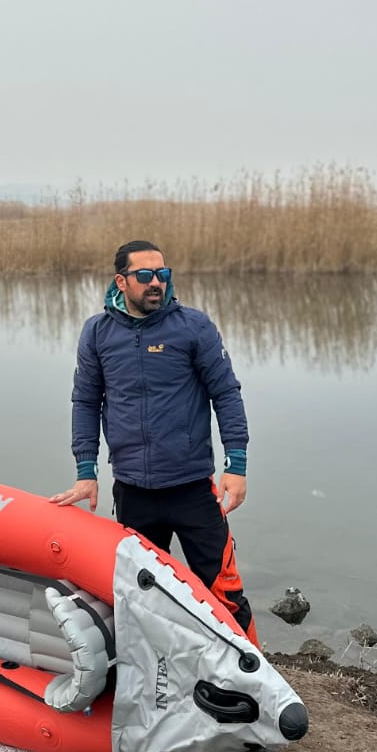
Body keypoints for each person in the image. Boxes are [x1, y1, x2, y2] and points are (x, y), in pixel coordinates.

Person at [51, 239, 258, 642]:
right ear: (121, 281)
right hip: (133, 492)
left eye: (162, 274)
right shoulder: (98, 332)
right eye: (144, 275)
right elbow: (86, 401)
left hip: (194, 489)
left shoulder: (192, 326)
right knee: (139, 597)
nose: (156, 283)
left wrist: (237, 464)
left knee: (225, 593)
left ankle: (258, 680)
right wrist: (85, 471)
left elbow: (226, 393)